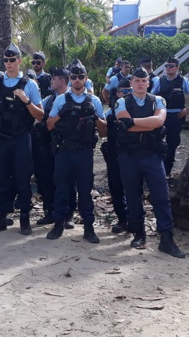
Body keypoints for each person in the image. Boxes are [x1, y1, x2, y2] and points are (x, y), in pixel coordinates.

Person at [115, 68, 185, 258]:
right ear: (131, 83)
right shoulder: (122, 101)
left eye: (143, 80)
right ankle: (139, 234)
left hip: (152, 156)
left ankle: (166, 239)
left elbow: (159, 121)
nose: (140, 84)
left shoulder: (158, 100)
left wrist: (132, 122)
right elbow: (122, 123)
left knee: (161, 197)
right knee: (132, 196)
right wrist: (144, 123)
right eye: (137, 80)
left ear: (148, 83)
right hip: (129, 156)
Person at [0, 42, 43, 234]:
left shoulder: (29, 84)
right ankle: (0, 217)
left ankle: (24, 218)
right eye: (6, 60)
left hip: (21, 138)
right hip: (0, 138)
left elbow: (40, 116)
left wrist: (26, 100)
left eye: (12, 60)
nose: (8, 63)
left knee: (22, 177)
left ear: (19, 61)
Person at [46, 60, 106, 243]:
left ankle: (89, 228)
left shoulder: (94, 100)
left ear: (86, 78)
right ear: (70, 79)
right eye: (74, 77)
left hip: (84, 152)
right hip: (64, 151)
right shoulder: (61, 99)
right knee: (61, 190)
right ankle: (58, 225)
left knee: (85, 191)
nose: (77, 80)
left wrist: (95, 117)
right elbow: (48, 126)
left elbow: (104, 132)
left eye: (81, 76)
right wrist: (60, 114)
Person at [33, 67, 76, 227]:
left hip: (67, 146)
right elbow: (39, 118)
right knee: (47, 179)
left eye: (53, 79)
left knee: (68, 181)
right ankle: (49, 211)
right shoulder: (49, 100)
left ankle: (68, 215)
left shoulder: (74, 98)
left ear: (62, 81)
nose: (51, 82)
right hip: (49, 146)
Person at [150, 57, 189, 177]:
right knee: (157, 142)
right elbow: (151, 97)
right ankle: (157, 170)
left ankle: (167, 171)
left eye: (171, 66)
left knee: (172, 144)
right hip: (162, 115)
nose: (168, 68)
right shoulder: (159, 81)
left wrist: (188, 109)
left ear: (177, 67)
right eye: (166, 66)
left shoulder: (183, 81)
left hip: (176, 116)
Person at [100, 104, 128, 234]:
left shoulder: (141, 107)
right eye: (122, 91)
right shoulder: (111, 111)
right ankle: (122, 219)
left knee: (133, 189)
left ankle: (136, 222)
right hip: (114, 153)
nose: (125, 94)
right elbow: (103, 133)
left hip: (133, 153)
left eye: (128, 90)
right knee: (116, 187)